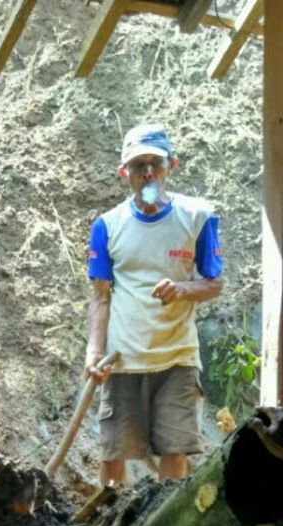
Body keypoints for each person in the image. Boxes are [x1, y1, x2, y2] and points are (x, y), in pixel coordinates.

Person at [86, 123, 223, 485]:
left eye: (155, 163)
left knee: (174, 453)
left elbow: (214, 283)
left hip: (176, 356)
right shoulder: (107, 225)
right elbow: (101, 295)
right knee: (113, 453)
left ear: (171, 165)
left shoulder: (198, 216)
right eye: (138, 165)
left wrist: (181, 289)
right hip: (122, 359)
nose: (148, 172)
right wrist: (93, 351)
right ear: (124, 172)